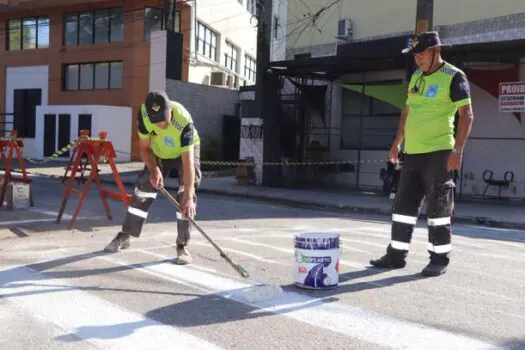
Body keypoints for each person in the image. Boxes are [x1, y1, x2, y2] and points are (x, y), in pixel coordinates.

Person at [370, 31, 474, 277]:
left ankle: (439, 259)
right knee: (403, 205)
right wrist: (397, 143)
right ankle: (396, 256)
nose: (418, 58)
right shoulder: (416, 77)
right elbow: (407, 112)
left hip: (439, 153)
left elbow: (467, 115)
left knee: (438, 207)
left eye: (422, 53)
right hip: (413, 154)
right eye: (415, 54)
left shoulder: (454, 76)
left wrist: (457, 150)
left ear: (437, 51)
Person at [104, 90, 201, 265]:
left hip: (184, 153)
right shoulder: (144, 115)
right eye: (157, 121)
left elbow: (187, 163)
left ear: (170, 109)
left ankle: (182, 246)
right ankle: (126, 235)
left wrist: (188, 194)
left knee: (185, 197)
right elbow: (144, 148)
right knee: (143, 189)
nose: (161, 125)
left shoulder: (184, 121)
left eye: (164, 119)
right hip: (158, 152)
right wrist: (154, 169)